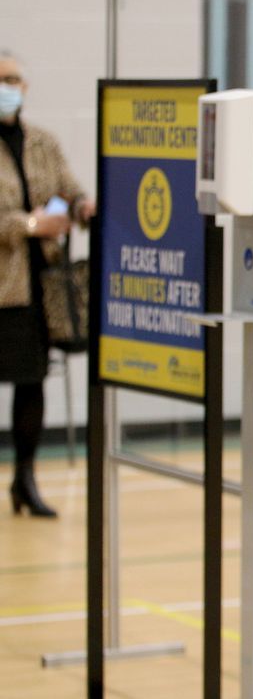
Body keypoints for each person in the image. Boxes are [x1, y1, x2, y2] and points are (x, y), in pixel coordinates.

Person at [0, 50, 95, 517]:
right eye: (2, 79)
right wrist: (28, 225)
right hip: (2, 284)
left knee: (31, 382)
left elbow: (69, 188)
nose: (9, 86)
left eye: (15, 78)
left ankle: (25, 478)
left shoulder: (42, 142)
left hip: (38, 284)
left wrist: (80, 207)